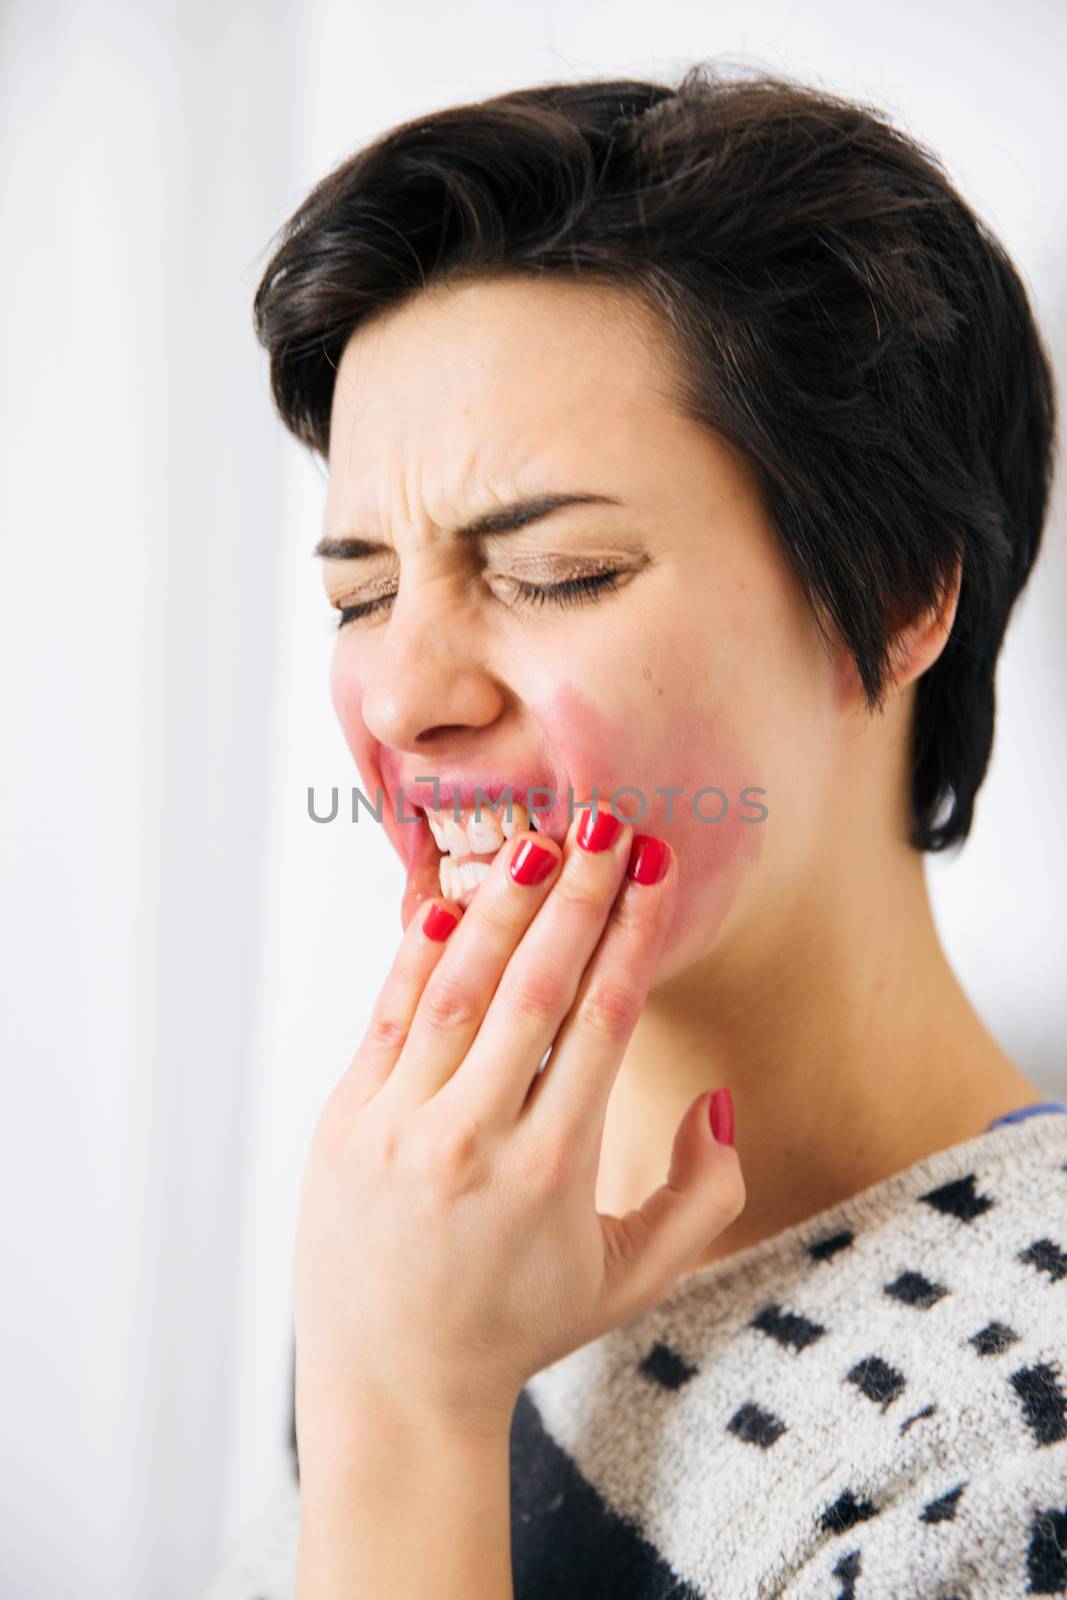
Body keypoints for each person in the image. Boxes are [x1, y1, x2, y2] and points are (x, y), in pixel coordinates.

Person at [203, 64, 1066, 1599]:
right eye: (358, 593)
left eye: (559, 571)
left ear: (898, 595)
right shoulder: (426, 1221)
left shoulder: (1014, 1447)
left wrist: (409, 1420)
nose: (403, 695)